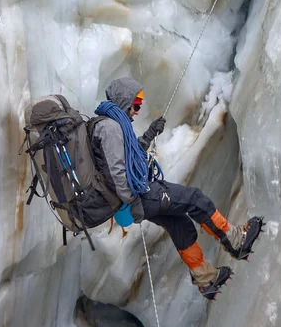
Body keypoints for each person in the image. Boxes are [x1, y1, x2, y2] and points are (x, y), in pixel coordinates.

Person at [90, 77, 264, 301]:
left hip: (137, 197)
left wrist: (149, 135)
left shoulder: (110, 125)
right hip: (139, 197)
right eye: (136, 104)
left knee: (180, 223)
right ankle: (236, 242)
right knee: (193, 198)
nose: (137, 109)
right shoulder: (111, 128)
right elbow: (117, 171)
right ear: (124, 100)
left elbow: (129, 160)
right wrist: (133, 201)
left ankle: (206, 278)